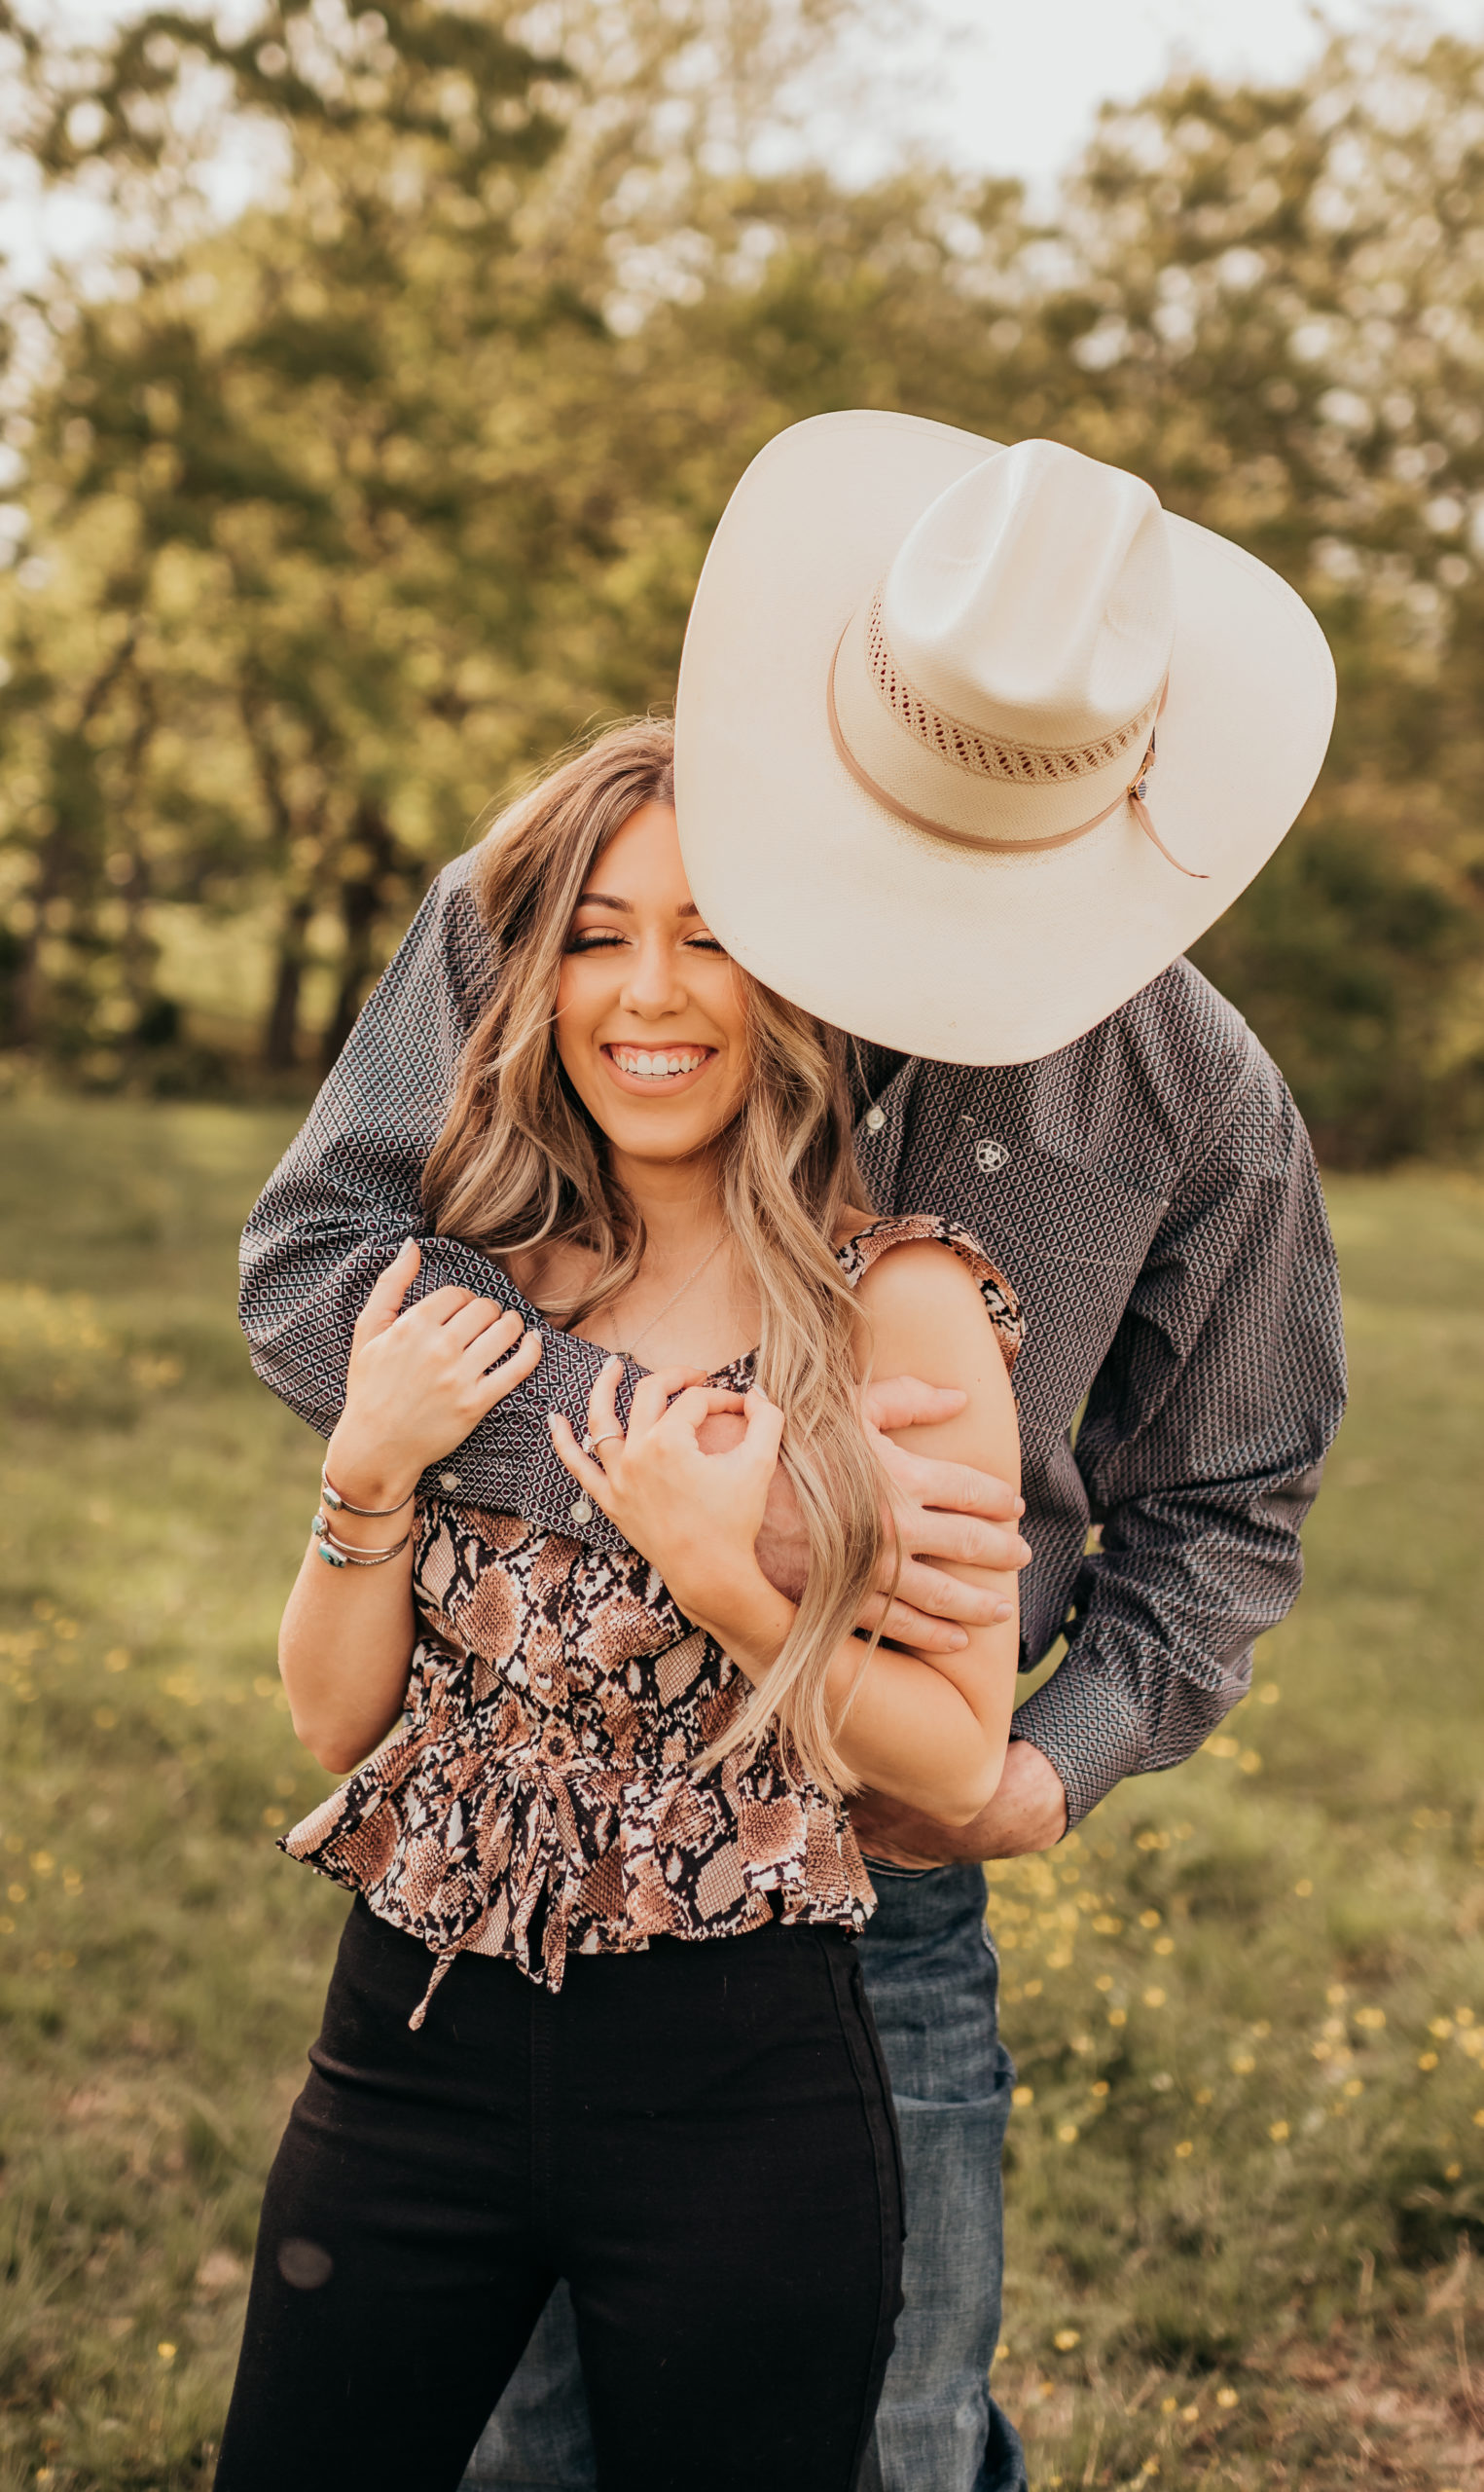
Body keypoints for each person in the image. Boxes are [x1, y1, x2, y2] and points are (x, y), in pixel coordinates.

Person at [234, 421, 1349, 2492]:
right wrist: (681, 1478)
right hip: (506, 1848)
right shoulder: (581, 899)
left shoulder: (1191, 1090)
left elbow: (1235, 1485)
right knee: (491, 2441)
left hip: (869, 1877)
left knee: (882, 2438)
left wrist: (1043, 1760)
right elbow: (319, 1256)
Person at [214, 718, 1027, 2490]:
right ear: (531, 981)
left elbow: (954, 1765)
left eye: (709, 933)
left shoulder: (897, 1306)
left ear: (794, 977)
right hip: (408, 2049)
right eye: (594, 935)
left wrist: (728, 1578)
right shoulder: (464, 1275)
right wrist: (364, 1469)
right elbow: (339, 1727)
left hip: (740, 2092)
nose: (647, 991)